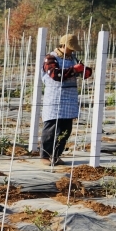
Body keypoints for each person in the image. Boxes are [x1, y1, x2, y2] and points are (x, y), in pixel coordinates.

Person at [40, 33, 93, 165]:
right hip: (54, 98)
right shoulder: (50, 58)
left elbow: (86, 72)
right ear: (63, 45)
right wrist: (74, 70)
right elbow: (55, 74)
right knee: (51, 129)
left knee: (65, 130)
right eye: (70, 48)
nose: (72, 51)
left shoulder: (73, 58)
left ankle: (56, 155)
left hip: (69, 99)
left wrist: (85, 71)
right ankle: (45, 156)